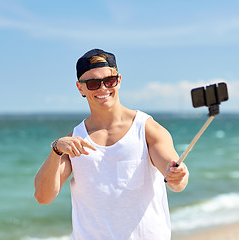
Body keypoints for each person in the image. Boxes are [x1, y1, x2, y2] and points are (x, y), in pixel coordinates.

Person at [34, 49, 189, 240]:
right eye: (92, 83)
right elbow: (43, 196)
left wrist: (177, 175)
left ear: (119, 80)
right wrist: (56, 149)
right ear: (80, 88)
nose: (102, 88)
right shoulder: (75, 140)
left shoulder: (146, 128)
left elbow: (173, 174)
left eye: (109, 81)